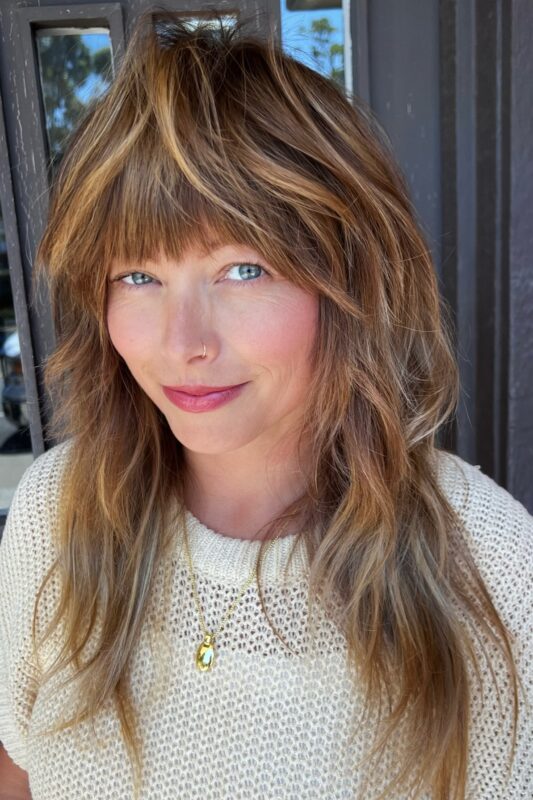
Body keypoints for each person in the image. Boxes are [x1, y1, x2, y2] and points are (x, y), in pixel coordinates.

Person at [0, 8, 531, 800]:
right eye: (137, 275)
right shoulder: (58, 507)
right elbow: (18, 763)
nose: (183, 342)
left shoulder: (491, 569)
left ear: (349, 281)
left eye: (243, 269)